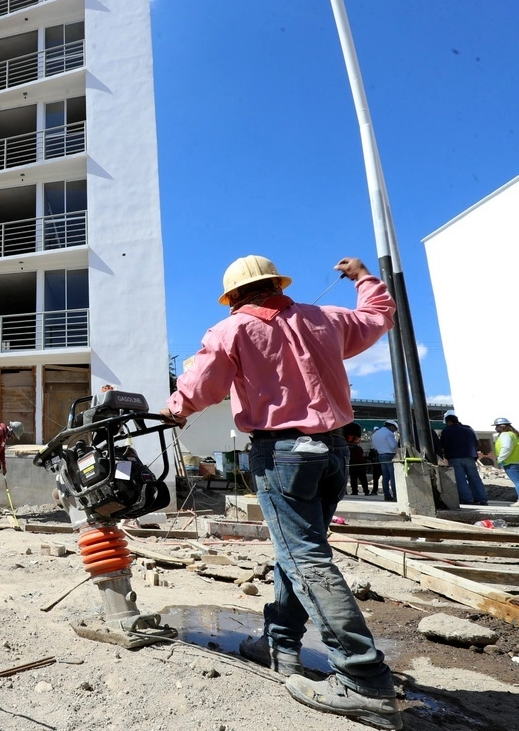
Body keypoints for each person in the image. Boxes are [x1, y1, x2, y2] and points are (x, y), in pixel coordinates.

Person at [161, 255, 401, 729]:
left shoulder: (230, 330)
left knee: (303, 556)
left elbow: (200, 385)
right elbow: (378, 317)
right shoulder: (325, 318)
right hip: (335, 450)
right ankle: (281, 645)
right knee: (298, 550)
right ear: (277, 285)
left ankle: (363, 679)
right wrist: (362, 278)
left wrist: (174, 409)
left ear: (233, 297)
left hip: (284, 453)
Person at [438, 411, 488, 505]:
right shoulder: (468, 429)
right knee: (474, 478)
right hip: (470, 457)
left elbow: (443, 445)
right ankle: (482, 498)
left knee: (460, 479)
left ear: (449, 422)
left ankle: (467, 499)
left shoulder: (447, 431)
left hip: (455, 457)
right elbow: (477, 442)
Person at [492, 417, 519, 507]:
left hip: (510, 462)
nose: (496, 428)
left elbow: (506, 447)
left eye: (497, 426)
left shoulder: (505, 435)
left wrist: (500, 459)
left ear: (501, 426)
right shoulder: (514, 434)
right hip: (516, 461)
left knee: (517, 481)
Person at [371, 420, 399, 502]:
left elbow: (375, 447)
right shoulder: (389, 434)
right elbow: (393, 446)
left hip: (381, 455)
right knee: (393, 476)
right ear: (392, 427)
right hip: (390, 455)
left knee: (385, 477)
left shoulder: (375, 434)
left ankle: (387, 495)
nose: (394, 431)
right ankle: (395, 495)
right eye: (394, 429)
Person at [345, 423, 369, 496]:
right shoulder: (358, 448)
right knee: (361, 478)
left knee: (355, 478)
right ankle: (365, 491)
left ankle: (356, 491)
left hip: (354, 464)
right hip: (358, 464)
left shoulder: (349, 449)